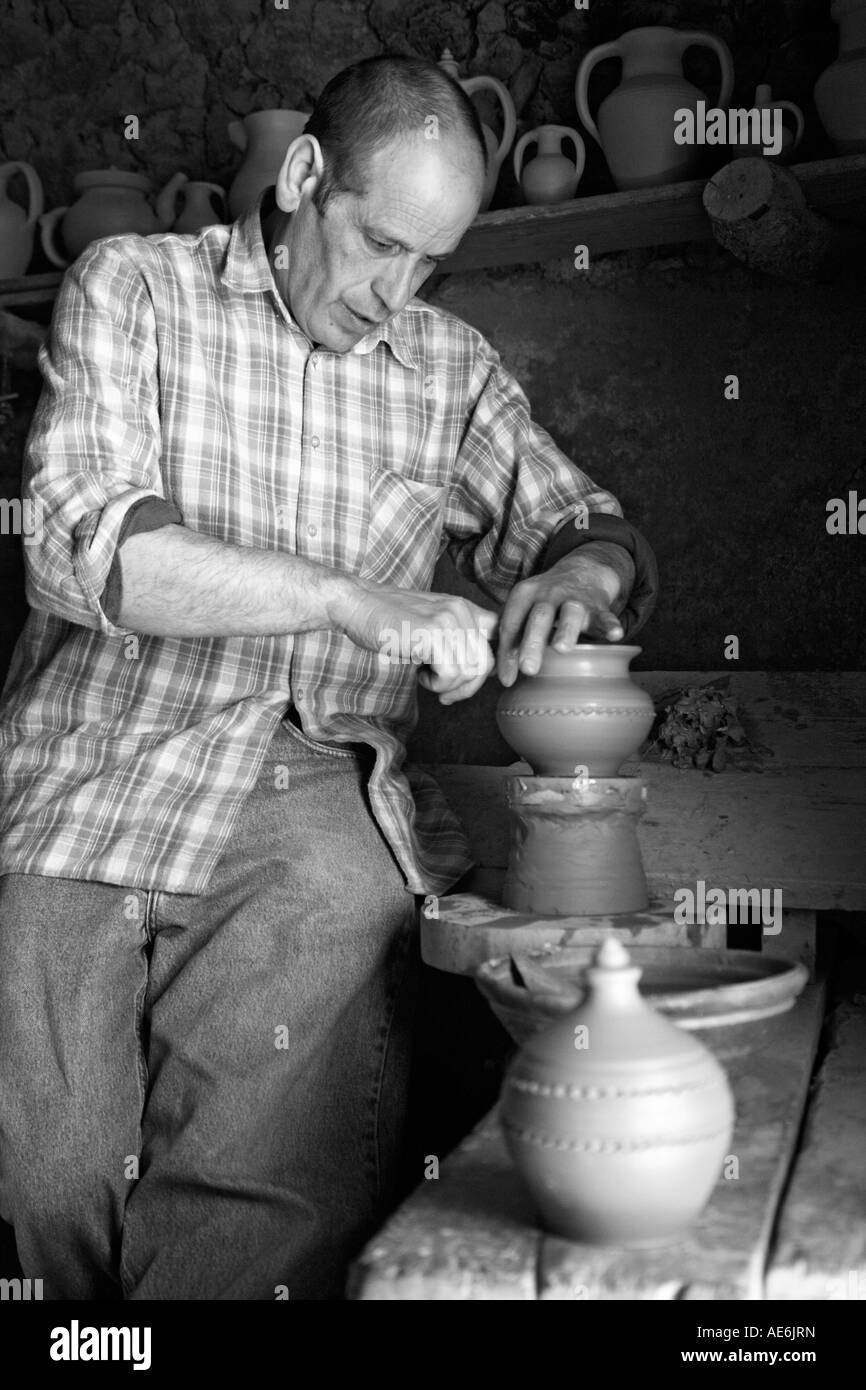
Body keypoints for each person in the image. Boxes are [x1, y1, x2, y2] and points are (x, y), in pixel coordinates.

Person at [0, 55, 657, 1300]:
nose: (396, 291)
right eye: (381, 245)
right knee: (40, 1186)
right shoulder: (132, 287)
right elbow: (91, 548)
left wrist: (583, 581)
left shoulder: (447, 369)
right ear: (305, 175)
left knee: (251, 1206)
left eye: (431, 262)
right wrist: (351, 597)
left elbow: (586, 521)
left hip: (312, 792)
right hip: (83, 774)